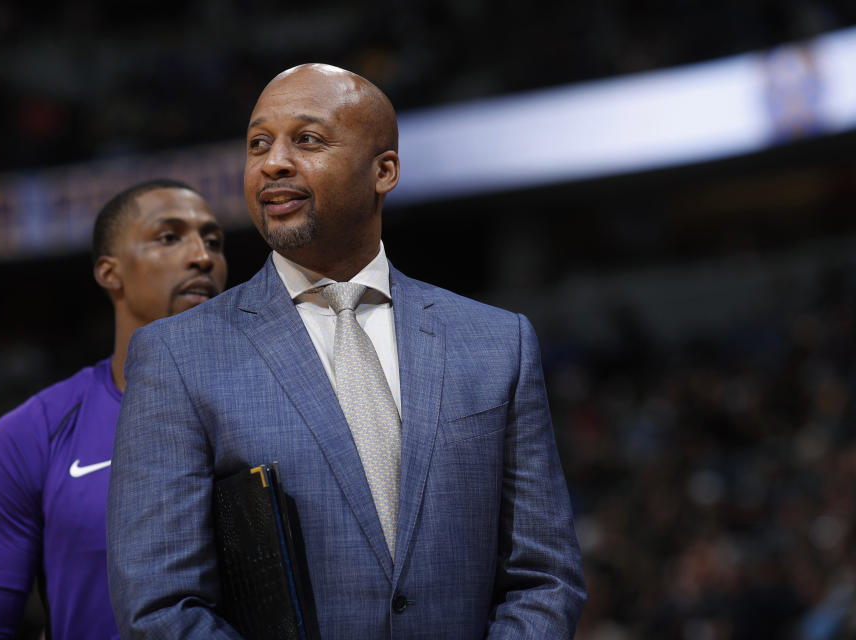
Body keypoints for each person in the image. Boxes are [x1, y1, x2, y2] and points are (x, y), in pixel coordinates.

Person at [107, 64, 585, 639]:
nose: (273, 162)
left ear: (383, 171)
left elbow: (544, 578)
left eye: (306, 140)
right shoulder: (176, 355)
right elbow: (160, 604)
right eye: (259, 143)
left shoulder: (497, 342)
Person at [0, 179, 229, 640]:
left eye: (214, 241)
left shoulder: (269, 408)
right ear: (109, 272)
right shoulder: (34, 431)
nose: (202, 256)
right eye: (169, 237)